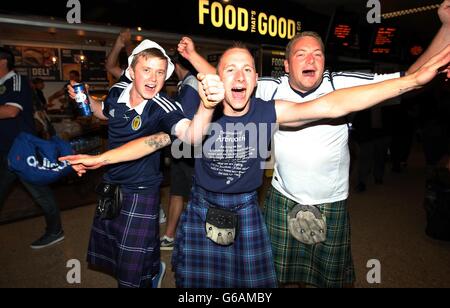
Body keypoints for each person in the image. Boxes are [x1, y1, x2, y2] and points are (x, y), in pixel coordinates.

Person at [62, 43, 450, 288]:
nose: (240, 75)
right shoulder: (194, 108)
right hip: (200, 207)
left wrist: (411, 82)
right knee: (198, 286)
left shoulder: (268, 109)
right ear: (217, 77)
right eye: (230, 68)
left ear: (256, 79)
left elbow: (334, 104)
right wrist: (101, 158)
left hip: (246, 209)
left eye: (248, 69)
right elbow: (156, 140)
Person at [179, 4, 450, 286]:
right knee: (274, 275)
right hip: (281, 197)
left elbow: (345, 101)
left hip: (329, 199)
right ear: (286, 65)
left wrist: (439, 40)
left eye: (317, 54)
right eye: (301, 54)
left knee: (324, 279)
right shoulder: (269, 88)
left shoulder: (339, 83)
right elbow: (229, 77)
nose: (311, 60)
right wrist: (195, 57)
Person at [60, 39, 221, 288]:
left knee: (131, 269)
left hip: (141, 191)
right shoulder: (117, 91)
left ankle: (145, 276)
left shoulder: (162, 106)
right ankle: (154, 268)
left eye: (160, 72)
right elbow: (104, 111)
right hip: (112, 184)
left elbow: (191, 135)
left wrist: (207, 107)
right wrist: (87, 99)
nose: (154, 78)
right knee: (117, 249)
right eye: (147, 70)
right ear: (132, 72)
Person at [0, 47, 64, 249]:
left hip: (20, 151)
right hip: (4, 150)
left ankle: (55, 231)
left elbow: (11, 111)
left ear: (2, 61)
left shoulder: (15, 82)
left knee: (40, 193)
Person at [160, 52, 199, 250]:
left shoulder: (191, 84)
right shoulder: (185, 84)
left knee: (195, 194)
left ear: (176, 65)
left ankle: (195, 239)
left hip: (190, 150)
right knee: (176, 191)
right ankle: (169, 236)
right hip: (181, 149)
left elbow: (186, 119)